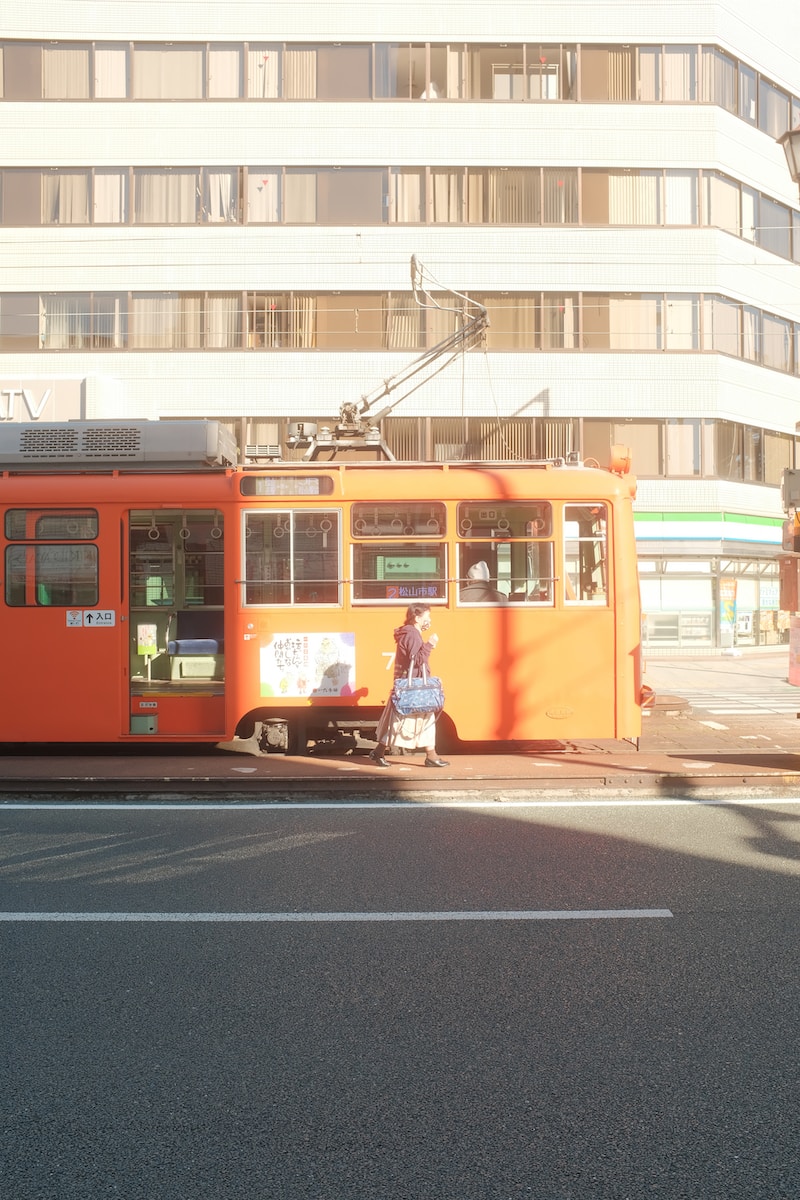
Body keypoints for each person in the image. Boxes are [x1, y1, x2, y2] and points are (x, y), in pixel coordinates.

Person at [369, 603, 449, 769]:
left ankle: (430, 755)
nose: (429, 620)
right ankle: (429, 756)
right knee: (409, 722)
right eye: (427, 617)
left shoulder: (410, 632)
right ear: (417, 618)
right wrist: (430, 644)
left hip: (411, 686)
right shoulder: (412, 634)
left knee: (418, 720)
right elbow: (417, 659)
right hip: (414, 687)